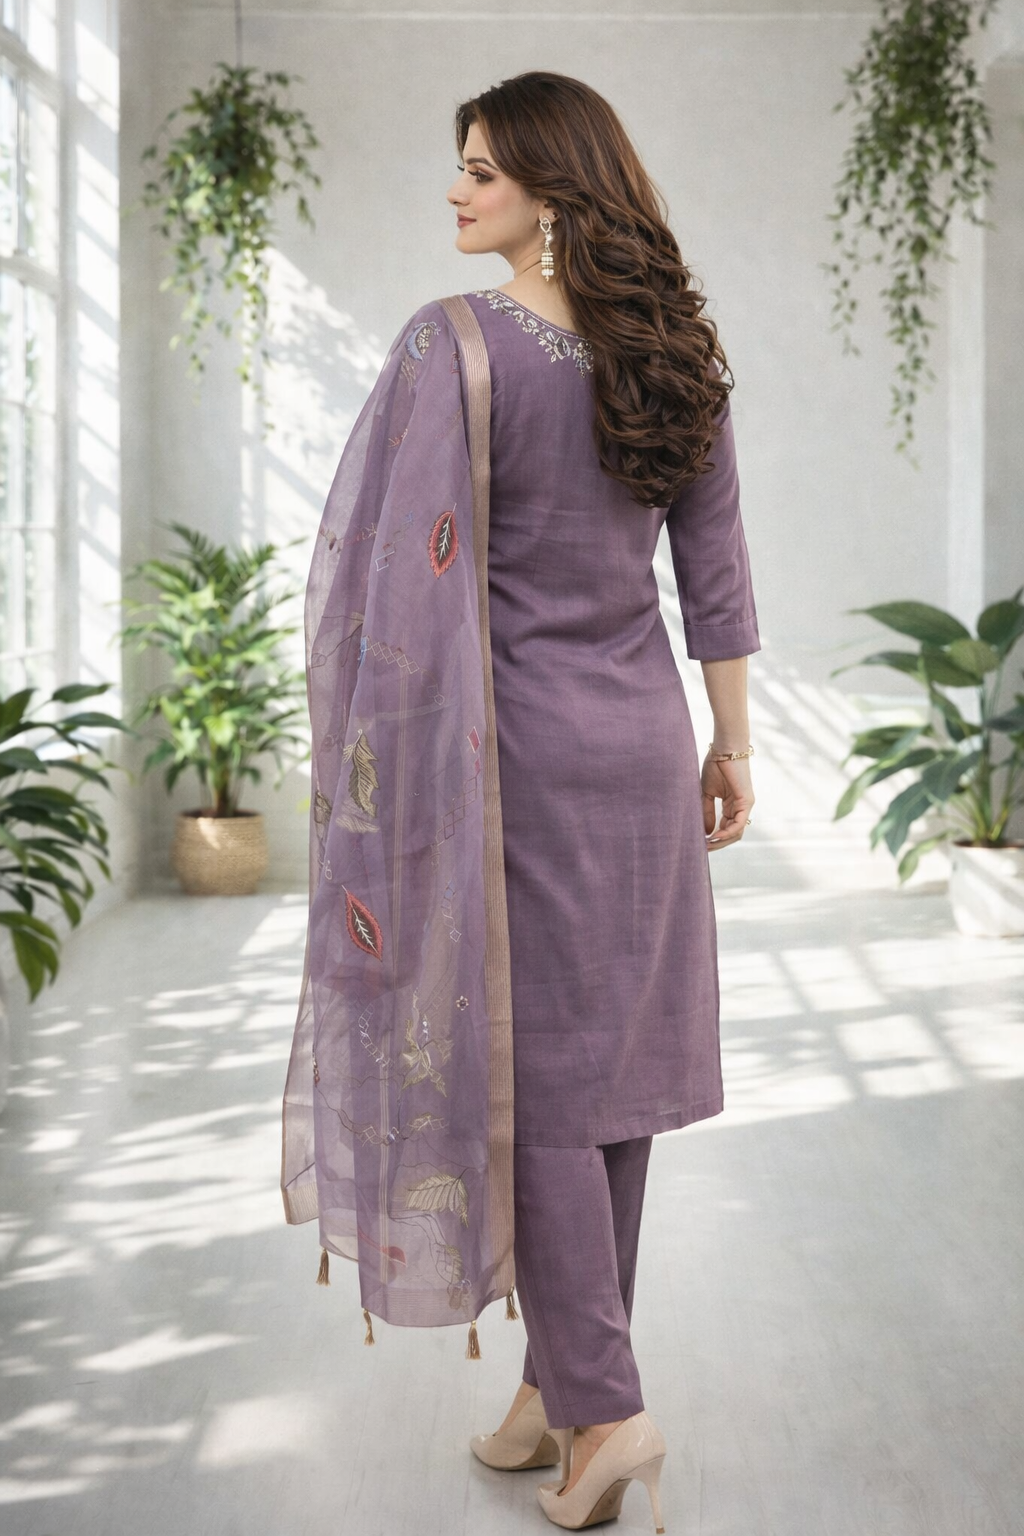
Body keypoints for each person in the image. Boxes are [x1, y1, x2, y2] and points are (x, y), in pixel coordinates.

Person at [281, 69, 759, 1535]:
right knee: (606, 1082)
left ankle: (609, 1415)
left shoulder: (458, 348)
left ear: (550, 191)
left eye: (481, 171)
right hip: (639, 752)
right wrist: (730, 746)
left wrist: (374, 764)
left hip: (521, 766)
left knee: (545, 1084)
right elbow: (719, 578)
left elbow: (374, 571)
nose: (457, 192)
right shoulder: (675, 349)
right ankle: (559, 1387)